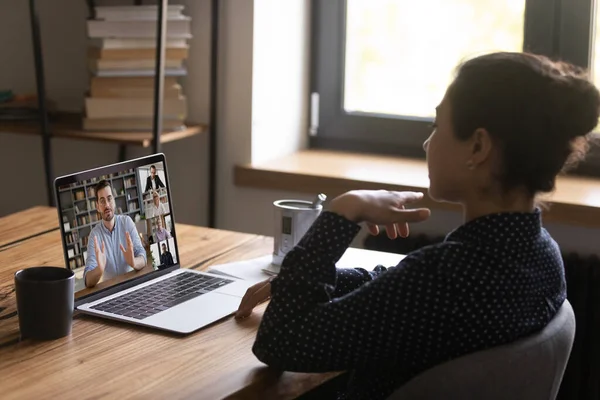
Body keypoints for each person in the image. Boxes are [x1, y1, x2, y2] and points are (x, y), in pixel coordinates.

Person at [235, 52, 600, 400]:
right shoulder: (539, 253)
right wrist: (297, 283)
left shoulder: (444, 278)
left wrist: (343, 211)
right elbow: (394, 293)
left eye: (437, 125)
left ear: (478, 147)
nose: (427, 142)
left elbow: (279, 341)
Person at [85, 180, 147, 288]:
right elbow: (87, 280)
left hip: (132, 285)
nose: (107, 205)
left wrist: (134, 262)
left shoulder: (127, 222)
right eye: (102, 201)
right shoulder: (94, 235)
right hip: (110, 291)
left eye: (109, 199)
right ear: (97, 206)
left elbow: (142, 256)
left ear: (114, 200)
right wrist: (99, 270)